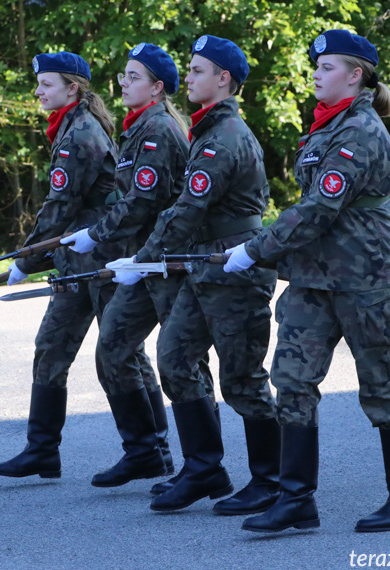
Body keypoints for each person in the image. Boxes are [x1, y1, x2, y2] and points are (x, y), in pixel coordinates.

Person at [225, 30, 390, 533]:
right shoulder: (328, 125)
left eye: (327, 66)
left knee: (383, 386)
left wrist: (255, 249)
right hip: (314, 278)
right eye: (316, 65)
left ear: (355, 75)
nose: (315, 72)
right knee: (292, 382)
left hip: (367, 277)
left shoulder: (360, 128)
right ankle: (296, 499)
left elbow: (320, 206)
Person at [108, 36, 280, 514]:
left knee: (243, 377)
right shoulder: (207, 131)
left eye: (198, 70)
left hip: (233, 267)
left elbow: (185, 210)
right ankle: (205, 468)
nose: (189, 77)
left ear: (223, 79)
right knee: (175, 357)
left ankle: (270, 482)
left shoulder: (225, 136)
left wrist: (142, 259)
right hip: (205, 264)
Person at [0, 52, 160, 480]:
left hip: (99, 259)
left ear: (73, 89)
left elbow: (59, 208)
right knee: (52, 344)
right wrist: (34, 258)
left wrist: (25, 261)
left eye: (46, 84)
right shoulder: (70, 126)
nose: (38, 91)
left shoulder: (79, 134)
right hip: (76, 260)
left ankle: (151, 449)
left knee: (123, 353)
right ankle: (42, 450)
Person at [60, 43, 194, 487]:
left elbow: (143, 201)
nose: (123, 83)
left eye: (134, 77)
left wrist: (95, 234)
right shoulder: (137, 129)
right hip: (139, 261)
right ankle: (144, 451)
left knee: (182, 362)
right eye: (123, 75)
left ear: (157, 88)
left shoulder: (158, 130)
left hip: (164, 262)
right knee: (114, 348)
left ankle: (201, 465)